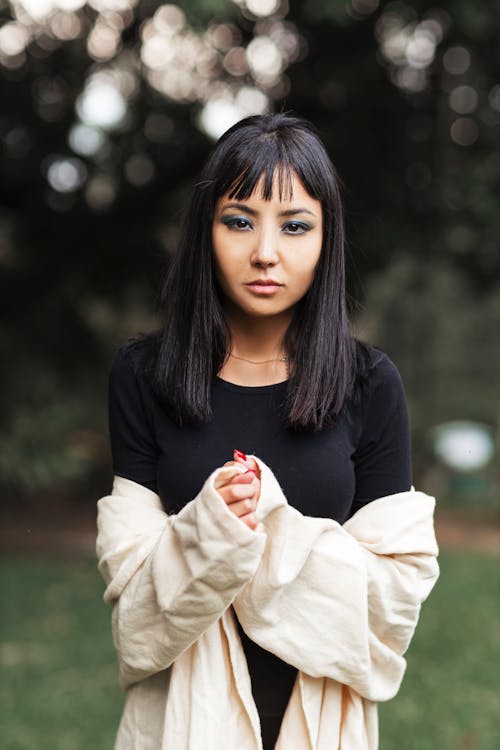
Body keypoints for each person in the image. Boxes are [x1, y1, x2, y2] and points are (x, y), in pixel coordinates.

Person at [96, 113, 439, 750]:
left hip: (323, 725)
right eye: (239, 220)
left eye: (295, 226)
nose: (265, 252)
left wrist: (266, 525)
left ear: (326, 240)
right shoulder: (144, 376)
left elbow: (391, 608)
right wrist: (210, 529)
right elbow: (137, 623)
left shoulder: (369, 383)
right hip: (177, 725)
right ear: (206, 232)